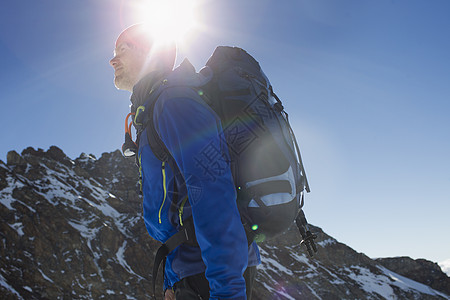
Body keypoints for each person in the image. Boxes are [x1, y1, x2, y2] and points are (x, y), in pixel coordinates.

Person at [109, 24, 260, 300]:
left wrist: (227, 291)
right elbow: (175, 209)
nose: (113, 59)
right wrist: (173, 281)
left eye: (122, 49)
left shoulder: (174, 103)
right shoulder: (154, 108)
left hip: (210, 275)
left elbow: (213, 191)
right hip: (189, 273)